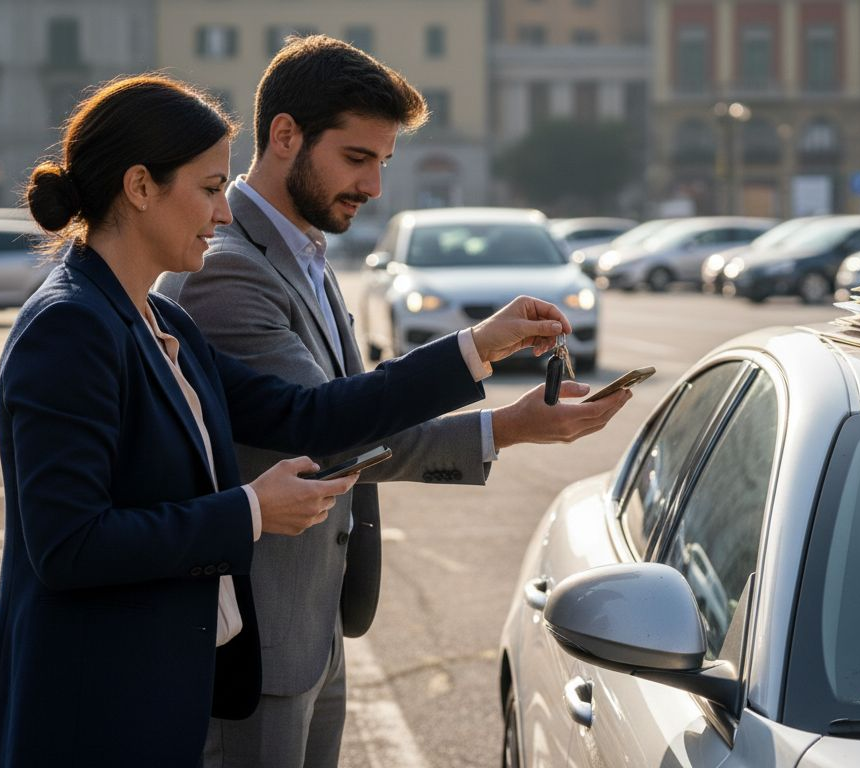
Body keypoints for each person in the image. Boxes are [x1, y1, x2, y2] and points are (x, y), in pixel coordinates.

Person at [0, 74, 574, 768]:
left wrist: (477, 348)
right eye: (209, 188)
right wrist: (251, 511)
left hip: (155, 694)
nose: (223, 214)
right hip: (92, 713)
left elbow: (307, 414)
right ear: (139, 187)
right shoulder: (70, 326)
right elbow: (69, 545)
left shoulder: (161, 319)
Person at [155, 36, 631, 768]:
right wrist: (500, 410)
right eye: (356, 158)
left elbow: (348, 415)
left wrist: (515, 422)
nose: (375, 186)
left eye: (384, 162)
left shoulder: (303, 249)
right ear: (285, 136)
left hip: (309, 623)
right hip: (255, 640)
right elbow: (328, 431)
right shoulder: (226, 271)